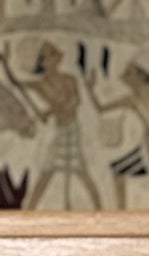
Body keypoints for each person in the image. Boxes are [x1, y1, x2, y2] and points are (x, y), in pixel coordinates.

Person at [0, 40, 102, 210]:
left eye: (55, 53)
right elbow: (16, 83)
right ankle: (30, 210)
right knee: (47, 172)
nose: (56, 57)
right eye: (51, 54)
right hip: (60, 130)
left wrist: (48, 111)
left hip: (71, 130)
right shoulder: (40, 84)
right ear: (43, 62)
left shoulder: (69, 79)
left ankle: (100, 208)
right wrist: (5, 63)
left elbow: (74, 102)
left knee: (80, 171)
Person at [85, 58, 149, 210]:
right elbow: (101, 108)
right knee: (122, 173)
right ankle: (122, 214)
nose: (124, 76)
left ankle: (122, 214)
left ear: (141, 76)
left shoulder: (142, 98)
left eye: (128, 73)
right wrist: (89, 89)